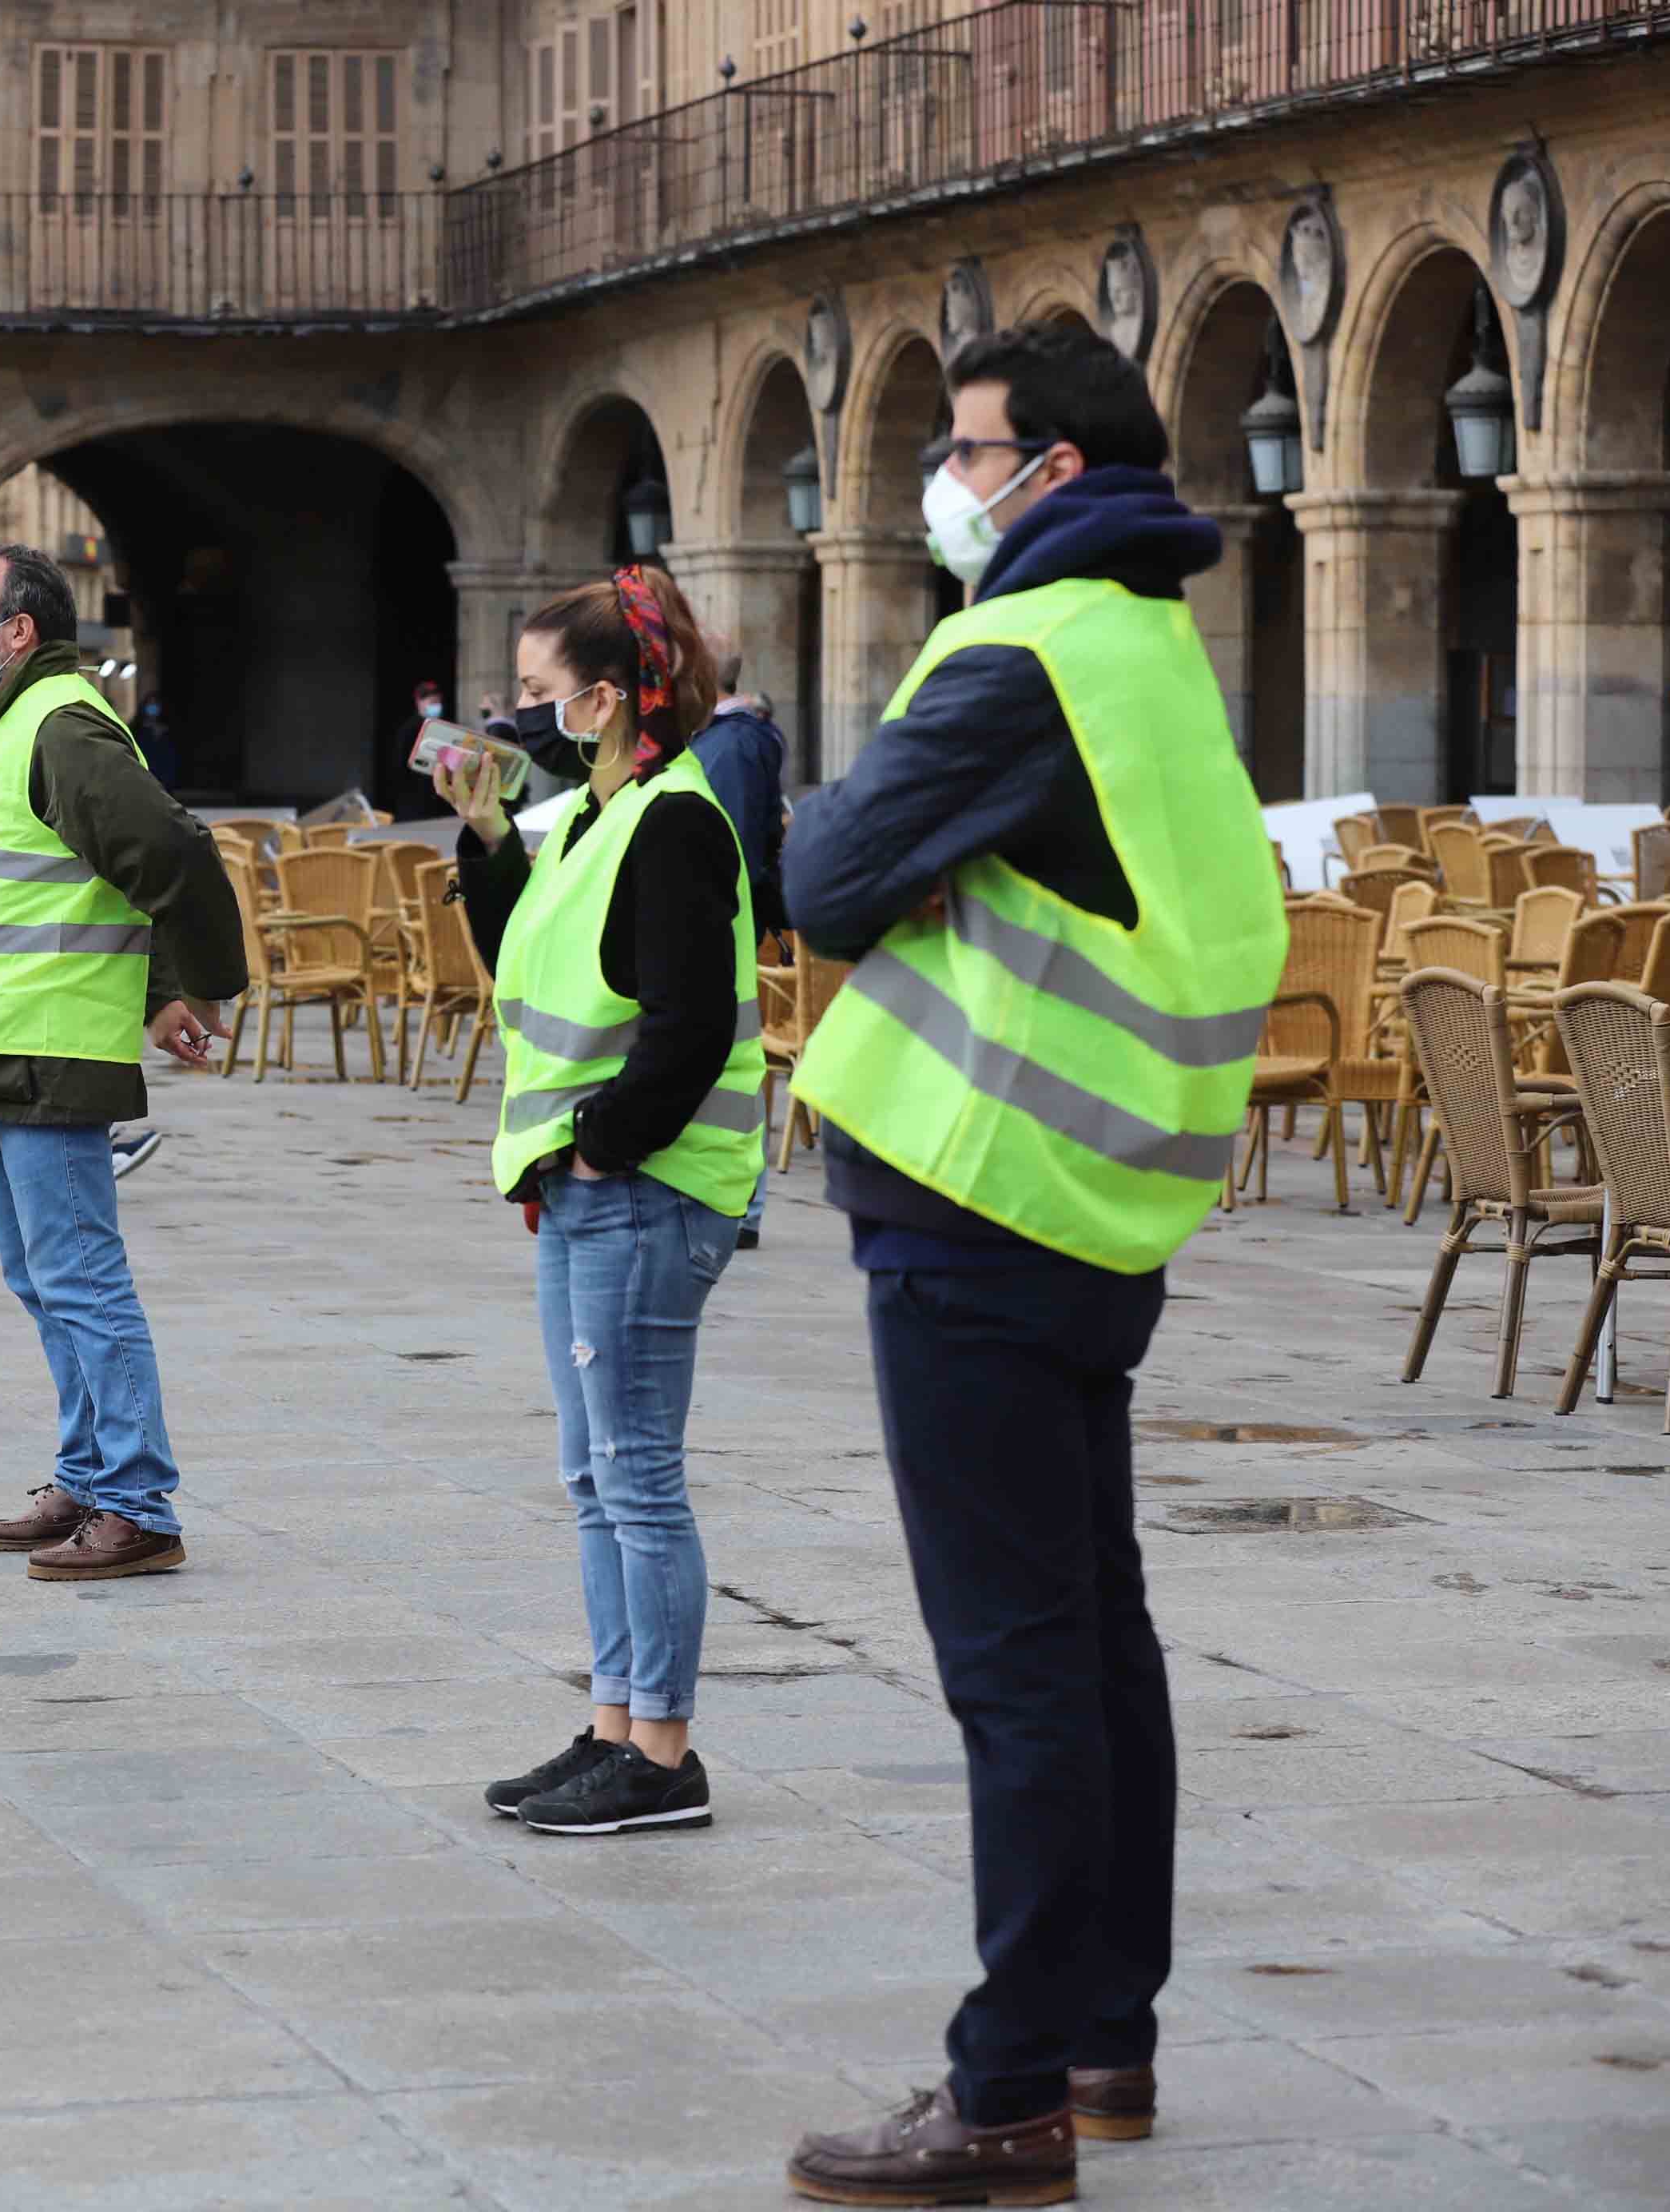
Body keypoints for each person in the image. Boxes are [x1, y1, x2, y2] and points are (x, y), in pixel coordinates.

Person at [778, 324, 1286, 2206]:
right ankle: (1103, 2034)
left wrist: (886, 852)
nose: (945, 477)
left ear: (1049, 472)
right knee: (1095, 1636)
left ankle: (1002, 2091)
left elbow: (821, 878)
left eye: (965, 447)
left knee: (1013, 1662)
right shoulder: (1153, 646)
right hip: (1102, 1205)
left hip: (977, 1191)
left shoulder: (1018, 649)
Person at [450, 567, 760, 1843]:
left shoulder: (675, 817)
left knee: (636, 1478)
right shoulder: (590, 810)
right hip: (587, 1186)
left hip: (642, 1188)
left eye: (538, 694)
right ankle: (615, 1723)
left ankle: (665, 1751)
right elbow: (528, 953)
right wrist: (478, 837)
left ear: (610, 695)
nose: (521, 714)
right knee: (593, 1474)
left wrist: (599, 1148)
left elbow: (685, 1028)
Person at [0, 543, 244, 1581]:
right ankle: (89, 1475)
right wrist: (158, 989)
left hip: (48, 1043)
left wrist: (199, 981)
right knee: (39, 1276)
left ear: (21, 632)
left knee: (81, 1279)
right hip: (7, 1038)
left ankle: (138, 1501)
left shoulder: (61, 724)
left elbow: (169, 853)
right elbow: (90, 886)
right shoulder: (16, 728)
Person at [692, 639, 793, 1252]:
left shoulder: (728, 747)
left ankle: (738, 1203)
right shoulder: (733, 740)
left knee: (730, 1060)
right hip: (730, 919)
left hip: (723, 921)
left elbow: (719, 849)